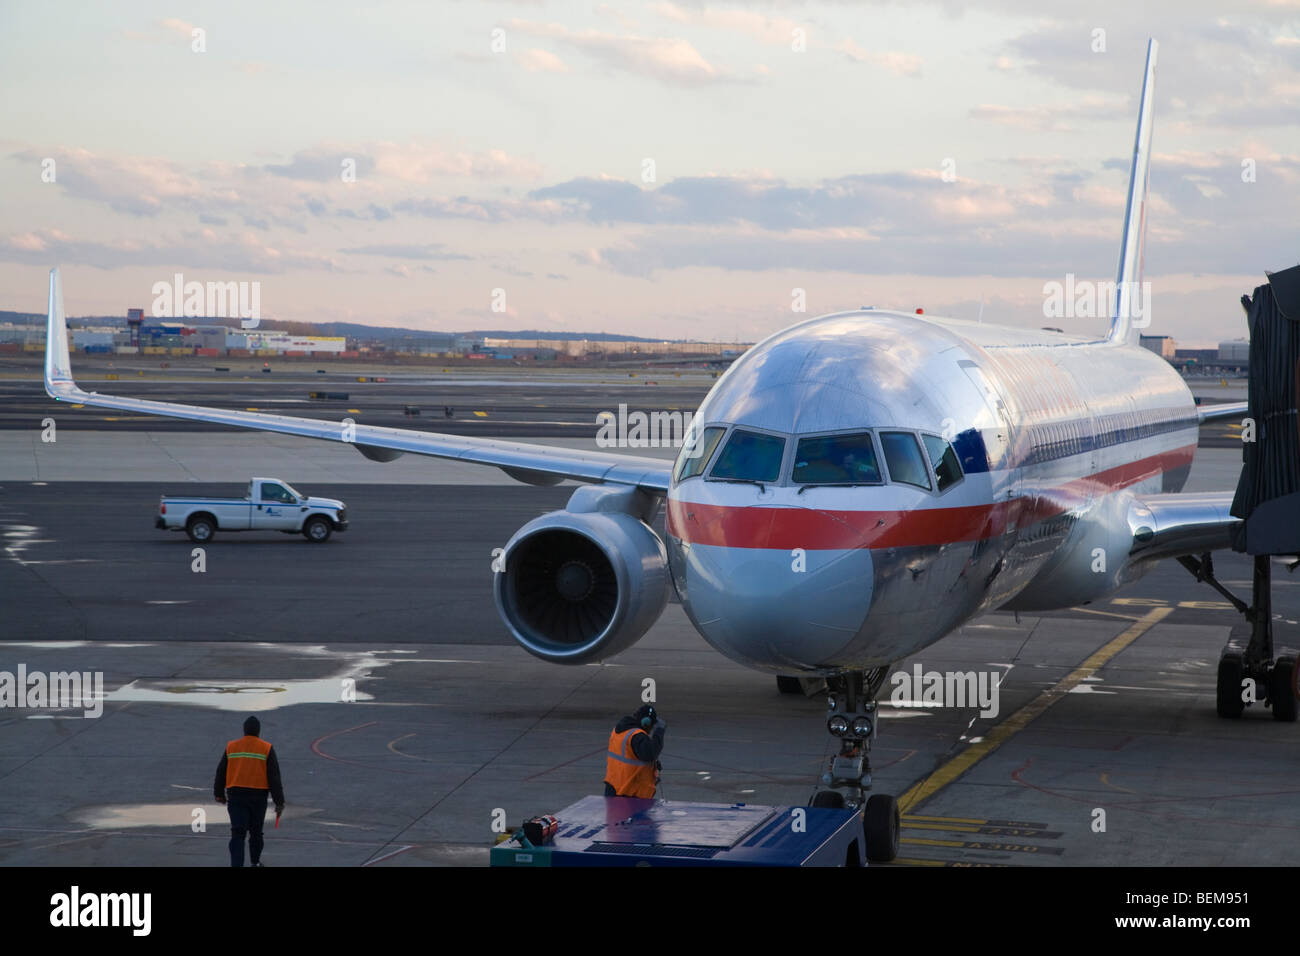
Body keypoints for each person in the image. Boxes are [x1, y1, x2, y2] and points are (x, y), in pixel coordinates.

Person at [214, 715, 285, 867]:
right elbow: (274, 777)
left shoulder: (231, 747)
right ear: (258, 731)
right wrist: (279, 802)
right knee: (256, 833)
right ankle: (255, 862)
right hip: (258, 797)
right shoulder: (266, 748)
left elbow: (221, 771)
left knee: (237, 833)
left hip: (236, 795)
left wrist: (219, 794)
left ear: (244, 730)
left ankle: (236, 864)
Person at [604, 704, 666, 798]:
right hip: (628, 795)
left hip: (614, 789)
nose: (650, 730)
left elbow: (630, 756)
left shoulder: (621, 730)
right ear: (646, 722)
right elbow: (651, 753)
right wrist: (659, 731)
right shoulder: (637, 736)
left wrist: (651, 766)